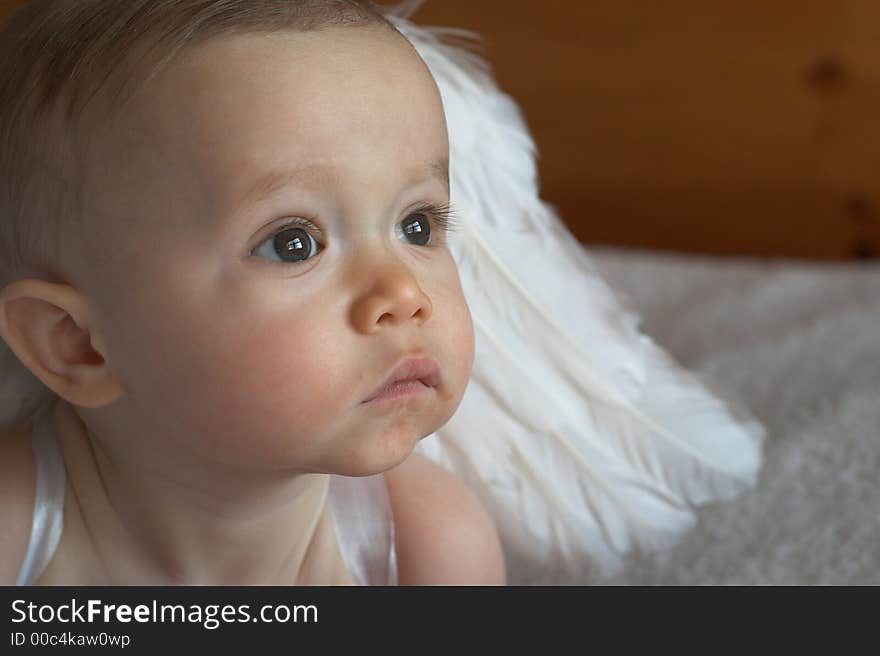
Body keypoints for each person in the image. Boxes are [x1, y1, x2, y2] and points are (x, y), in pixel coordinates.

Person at [0, 0, 505, 586]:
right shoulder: (16, 534)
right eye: (293, 243)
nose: (404, 293)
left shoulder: (429, 546)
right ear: (78, 344)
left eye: (416, 225)